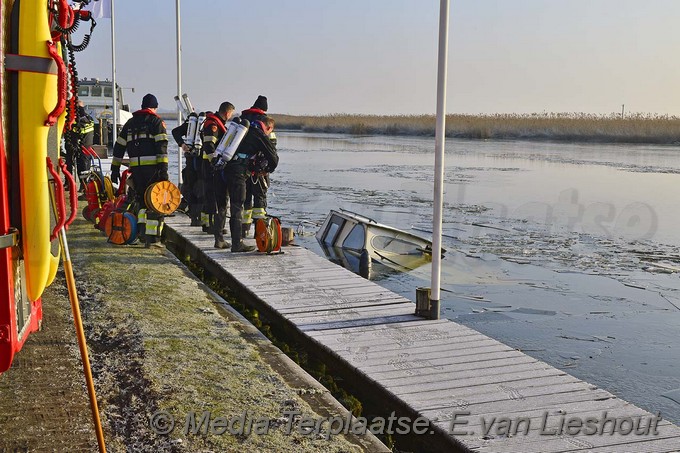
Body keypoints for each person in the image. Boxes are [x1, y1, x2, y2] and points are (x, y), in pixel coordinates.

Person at [110, 93, 168, 247]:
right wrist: (164, 171)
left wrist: (114, 169)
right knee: (156, 202)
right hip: (153, 170)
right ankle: (152, 239)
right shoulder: (157, 122)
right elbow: (161, 148)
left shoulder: (130, 123)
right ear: (154, 107)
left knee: (142, 201)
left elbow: (118, 147)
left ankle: (141, 234)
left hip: (136, 170)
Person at [221, 116, 278, 252]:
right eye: (270, 131)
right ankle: (237, 244)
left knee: (231, 204)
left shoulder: (243, 131)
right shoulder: (258, 134)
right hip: (238, 173)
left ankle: (233, 241)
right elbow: (274, 159)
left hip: (226, 169)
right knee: (237, 206)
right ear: (268, 127)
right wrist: (266, 170)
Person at [199, 101, 235, 248]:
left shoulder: (215, 123)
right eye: (231, 114)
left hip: (212, 168)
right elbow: (209, 146)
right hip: (212, 169)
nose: (231, 116)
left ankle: (217, 234)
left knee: (217, 201)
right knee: (219, 201)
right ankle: (218, 237)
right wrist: (216, 162)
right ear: (227, 113)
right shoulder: (213, 125)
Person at [240, 95, 276, 238]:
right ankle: (259, 232)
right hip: (260, 169)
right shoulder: (265, 122)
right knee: (260, 200)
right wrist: (266, 169)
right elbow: (271, 148)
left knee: (246, 198)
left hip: (243, 166)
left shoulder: (243, 120)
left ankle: (244, 230)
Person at [172, 116, 202, 226]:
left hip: (190, 162)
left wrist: (182, 144)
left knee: (191, 188)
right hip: (200, 163)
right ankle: (199, 219)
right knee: (200, 190)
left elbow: (175, 131)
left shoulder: (191, 126)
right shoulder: (206, 125)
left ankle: (195, 219)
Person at [64, 100, 95, 191]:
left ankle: (83, 186)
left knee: (82, 166)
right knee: (72, 164)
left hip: (81, 145)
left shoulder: (82, 119)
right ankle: (76, 184)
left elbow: (80, 130)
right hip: (81, 145)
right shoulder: (88, 118)